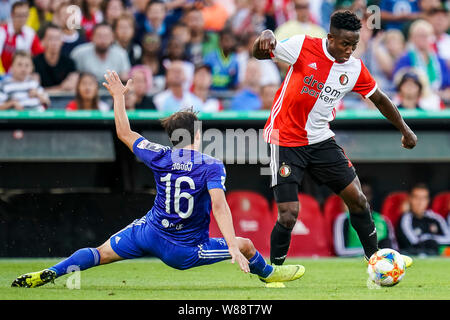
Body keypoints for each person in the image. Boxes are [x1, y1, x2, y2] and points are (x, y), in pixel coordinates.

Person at [11, 70, 306, 288]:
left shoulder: (161, 155)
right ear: (199, 134)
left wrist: (117, 97)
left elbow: (124, 134)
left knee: (99, 253)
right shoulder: (211, 165)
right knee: (246, 245)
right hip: (183, 249)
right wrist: (231, 245)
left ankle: (54, 271)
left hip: (149, 232)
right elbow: (219, 207)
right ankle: (270, 276)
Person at [252, 10, 416, 280]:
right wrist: (265, 37)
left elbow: (380, 99)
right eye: (344, 44)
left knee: (359, 200)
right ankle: (273, 272)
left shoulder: (354, 68)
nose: (349, 50)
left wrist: (405, 129)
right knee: (289, 214)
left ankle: (375, 259)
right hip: (285, 139)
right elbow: (262, 53)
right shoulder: (303, 46)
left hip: (320, 139)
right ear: (330, 38)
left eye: (354, 45)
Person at [333, 184, 397, 257]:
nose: (363, 197)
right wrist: (374, 252)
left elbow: (394, 248)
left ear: (372, 196)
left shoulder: (383, 219)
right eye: (361, 193)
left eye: (366, 194)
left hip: (382, 261)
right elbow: (340, 251)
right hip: (355, 261)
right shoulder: (344, 219)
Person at [397, 183, 450, 256]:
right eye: (416, 197)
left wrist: (429, 238)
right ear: (410, 199)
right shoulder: (405, 219)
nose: (420, 202)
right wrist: (428, 242)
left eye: (424, 198)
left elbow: (448, 238)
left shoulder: (436, 218)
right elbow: (413, 243)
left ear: (428, 200)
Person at [0, 1, 44, 74]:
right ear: (12, 15)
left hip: (23, 77)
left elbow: (40, 56)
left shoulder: (30, 33)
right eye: (19, 15)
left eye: (25, 15)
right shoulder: (2, 31)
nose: (22, 19)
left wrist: (35, 73)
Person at [32, 23, 78, 93]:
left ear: (62, 42)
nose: (54, 43)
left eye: (57, 38)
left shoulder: (69, 62)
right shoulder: (35, 62)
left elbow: (72, 86)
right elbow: (35, 89)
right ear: (43, 41)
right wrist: (61, 88)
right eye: (50, 38)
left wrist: (45, 90)